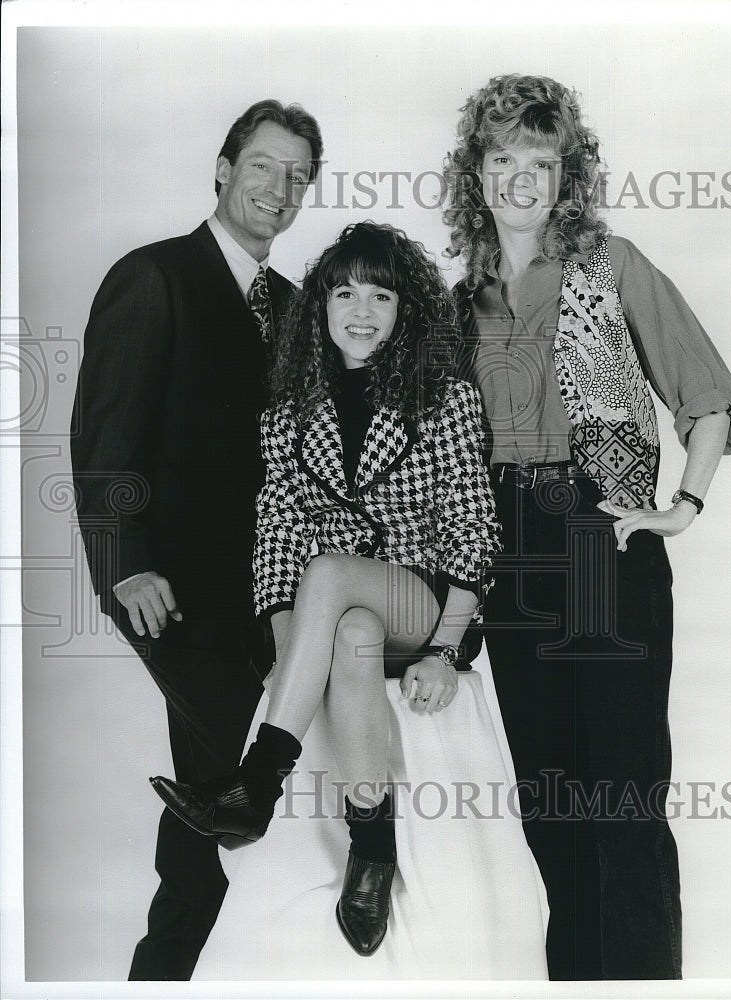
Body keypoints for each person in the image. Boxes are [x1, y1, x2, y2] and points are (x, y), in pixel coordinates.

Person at [442, 73, 731, 981]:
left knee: (619, 799)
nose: (520, 179)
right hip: (506, 549)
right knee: (549, 809)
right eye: (502, 159)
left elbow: (709, 399)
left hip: (596, 538)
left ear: (565, 174)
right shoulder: (462, 303)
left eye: (540, 161)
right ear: (476, 175)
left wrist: (680, 506)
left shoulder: (611, 265)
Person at [151, 221, 501, 958]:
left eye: (381, 293)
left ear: (406, 309)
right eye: (344, 292)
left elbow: (474, 528)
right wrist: (288, 650)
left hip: (430, 601)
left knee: (331, 570)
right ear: (321, 307)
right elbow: (275, 529)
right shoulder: (286, 414)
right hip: (344, 618)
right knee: (347, 631)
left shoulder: (445, 398)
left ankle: (255, 784)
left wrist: (443, 649)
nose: (361, 309)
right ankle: (371, 847)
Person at [70, 99, 323, 980]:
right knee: (229, 765)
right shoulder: (153, 276)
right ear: (221, 169)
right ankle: (170, 963)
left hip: (267, 591)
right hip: (166, 583)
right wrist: (124, 561)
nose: (277, 188)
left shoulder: (297, 308)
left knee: (213, 780)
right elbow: (105, 438)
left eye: (297, 177)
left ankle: (166, 970)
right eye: (262, 165)